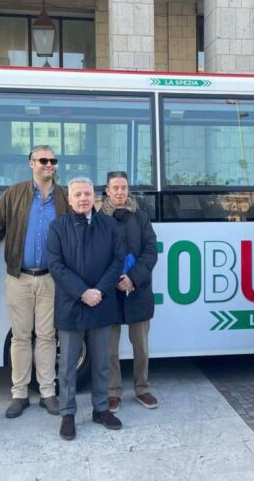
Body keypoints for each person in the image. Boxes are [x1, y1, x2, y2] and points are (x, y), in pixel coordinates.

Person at [0, 145, 67, 418]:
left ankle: (48, 393)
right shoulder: (14, 193)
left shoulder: (64, 196)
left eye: (53, 160)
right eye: (43, 160)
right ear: (31, 163)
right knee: (20, 337)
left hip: (51, 278)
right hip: (19, 277)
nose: (49, 165)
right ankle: (19, 394)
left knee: (47, 336)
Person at [46, 176, 124, 441]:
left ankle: (101, 410)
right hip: (71, 304)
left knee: (102, 362)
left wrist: (99, 291)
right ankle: (68, 414)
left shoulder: (109, 225)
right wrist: (82, 292)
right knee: (67, 365)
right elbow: (55, 265)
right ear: (69, 199)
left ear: (95, 197)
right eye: (77, 194)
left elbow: (117, 260)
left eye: (87, 194)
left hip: (102, 302)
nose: (83, 198)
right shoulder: (58, 227)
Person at [100, 171, 159, 413]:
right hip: (109, 292)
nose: (120, 192)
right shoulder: (98, 219)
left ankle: (142, 388)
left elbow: (151, 251)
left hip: (138, 290)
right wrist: (113, 280)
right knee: (109, 349)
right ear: (107, 191)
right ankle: (113, 392)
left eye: (123, 188)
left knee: (141, 347)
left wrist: (133, 278)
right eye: (115, 188)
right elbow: (94, 254)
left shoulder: (141, 217)